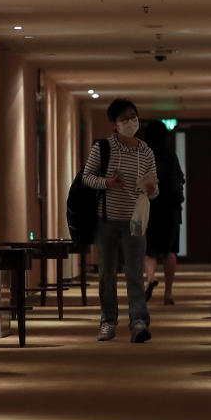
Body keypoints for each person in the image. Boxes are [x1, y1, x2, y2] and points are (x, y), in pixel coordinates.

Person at [82, 98, 159, 342]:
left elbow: (154, 188)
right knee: (107, 273)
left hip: (135, 220)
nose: (130, 122)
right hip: (106, 219)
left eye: (133, 117)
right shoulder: (103, 147)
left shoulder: (146, 151)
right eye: (124, 119)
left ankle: (138, 321)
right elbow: (86, 177)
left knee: (135, 272)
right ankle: (108, 320)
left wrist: (151, 190)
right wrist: (107, 183)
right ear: (114, 124)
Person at [143, 120, 185, 305]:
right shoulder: (170, 157)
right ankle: (168, 292)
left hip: (149, 208)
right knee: (170, 251)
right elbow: (180, 180)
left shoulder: (143, 157)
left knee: (149, 250)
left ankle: (150, 278)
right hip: (170, 209)